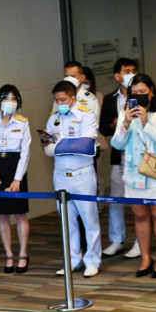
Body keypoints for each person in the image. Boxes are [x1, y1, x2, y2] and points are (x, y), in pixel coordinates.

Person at [110, 73, 156, 278]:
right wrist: (126, 124)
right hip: (133, 172)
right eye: (134, 93)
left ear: (151, 92)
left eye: (142, 92)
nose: (138, 97)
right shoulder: (126, 114)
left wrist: (147, 122)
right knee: (140, 215)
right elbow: (116, 144)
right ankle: (145, 258)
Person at [43, 80, 102, 278]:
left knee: (89, 219)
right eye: (56, 99)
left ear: (73, 98)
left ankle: (92, 260)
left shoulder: (86, 115)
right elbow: (46, 149)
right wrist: (67, 145)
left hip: (83, 175)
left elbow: (86, 146)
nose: (59, 103)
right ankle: (73, 260)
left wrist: (58, 145)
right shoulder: (53, 119)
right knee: (67, 221)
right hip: (60, 176)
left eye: (63, 99)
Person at [0, 84, 31, 273]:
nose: (9, 103)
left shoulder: (22, 122)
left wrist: (18, 179)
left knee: (19, 214)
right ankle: (9, 254)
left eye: (13, 99)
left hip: (15, 167)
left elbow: (25, 153)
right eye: (5, 98)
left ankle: (23, 254)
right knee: (2, 215)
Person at [100, 58, 141, 260]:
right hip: (119, 155)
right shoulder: (109, 99)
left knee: (139, 202)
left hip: (140, 156)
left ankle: (140, 242)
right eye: (127, 71)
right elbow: (102, 128)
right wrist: (116, 124)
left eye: (134, 70)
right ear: (118, 76)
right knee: (116, 199)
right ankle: (117, 240)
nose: (131, 74)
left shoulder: (142, 95)